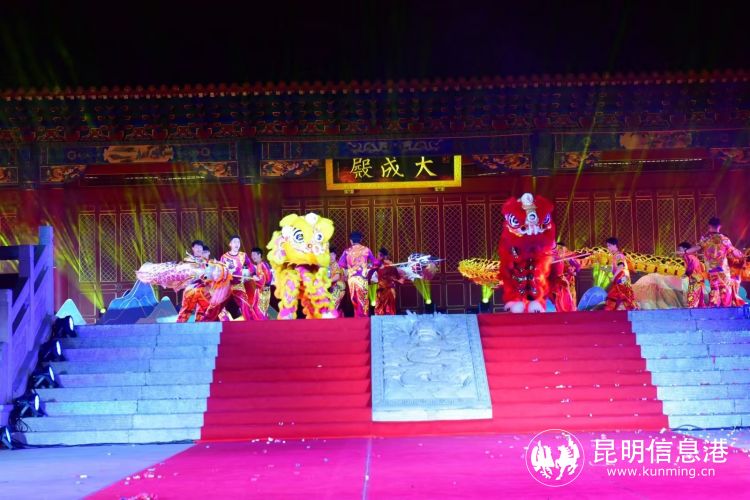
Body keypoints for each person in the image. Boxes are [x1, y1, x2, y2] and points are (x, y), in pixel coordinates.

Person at [687, 217, 743, 307]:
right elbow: (734, 252)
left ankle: (714, 306)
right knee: (725, 288)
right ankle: (727, 308)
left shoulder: (706, 239)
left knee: (714, 288)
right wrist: (742, 255)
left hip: (712, 270)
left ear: (709, 226)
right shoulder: (725, 239)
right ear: (719, 226)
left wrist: (685, 252)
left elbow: (696, 248)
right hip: (722, 270)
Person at [205, 235, 255, 321]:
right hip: (226, 286)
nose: (237, 244)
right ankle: (209, 321)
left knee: (245, 304)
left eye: (238, 242)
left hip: (238, 285)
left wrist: (249, 274)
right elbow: (220, 270)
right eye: (234, 242)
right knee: (218, 305)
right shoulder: (224, 257)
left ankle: (250, 324)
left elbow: (251, 267)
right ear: (230, 244)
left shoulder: (243, 255)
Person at [338, 231, 376, 317]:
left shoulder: (347, 251)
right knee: (363, 299)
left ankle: (357, 317)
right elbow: (375, 262)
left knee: (354, 299)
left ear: (351, 241)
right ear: (360, 240)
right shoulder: (366, 249)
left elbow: (341, 264)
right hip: (362, 278)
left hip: (351, 279)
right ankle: (364, 319)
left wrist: (349, 267)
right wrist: (370, 266)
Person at [177, 240, 210, 322]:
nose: (199, 249)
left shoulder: (206, 262)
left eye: (200, 247)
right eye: (197, 247)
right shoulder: (188, 260)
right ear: (193, 248)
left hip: (204, 290)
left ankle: (201, 326)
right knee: (185, 311)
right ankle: (178, 327)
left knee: (206, 311)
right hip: (191, 289)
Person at [604, 237, 638, 311]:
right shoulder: (615, 256)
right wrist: (605, 269)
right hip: (621, 279)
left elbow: (621, 266)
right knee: (617, 296)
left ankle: (633, 311)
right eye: (607, 246)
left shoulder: (618, 255)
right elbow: (614, 268)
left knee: (622, 296)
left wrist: (613, 277)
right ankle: (609, 313)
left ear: (615, 245)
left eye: (609, 245)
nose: (608, 248)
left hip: (622, 278)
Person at [550, 241, 580, 312]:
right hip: (557, 281)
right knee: (558, 297)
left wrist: (573, 271)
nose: (561, 251)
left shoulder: (568, 258)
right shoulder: (553, 258)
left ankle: (569, 310)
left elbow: (577, 268)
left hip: (567, 281)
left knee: (568, 297)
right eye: (559, 249)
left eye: (563, 249)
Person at [374, 248, 403, 315]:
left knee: (381, 311)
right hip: (390, 290)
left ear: (382, 256)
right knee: (390, 310)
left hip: (383, 291)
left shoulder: (378, 265)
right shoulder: (392, 265)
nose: (377, 256)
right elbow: (398, 277)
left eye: (378, 255)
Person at [677, 241, 706, 308]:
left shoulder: (687, 256)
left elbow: (691, 267)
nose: (679, 251)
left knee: (692, 295)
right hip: (699, 278)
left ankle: (692, 308)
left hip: (694, 278)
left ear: (685, 249)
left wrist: (685, 273)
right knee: (699, 295)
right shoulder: (692, 256)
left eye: (680, 249)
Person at [249, 247, 272, 320]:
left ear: (259, 255)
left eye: (254, 255)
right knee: (257, 309)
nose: (252, 257)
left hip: (264, 291)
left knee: (261, 311)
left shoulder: (263, 265)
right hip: (260, 291)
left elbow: (268, 279)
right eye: (251, 255)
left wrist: (257, 280)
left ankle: (263, 325)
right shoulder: (259, 265)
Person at [328, 246, 346, 312]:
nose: (331, 257)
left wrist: (327, 282)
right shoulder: (328, 265)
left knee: (332, 307)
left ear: (335, 255)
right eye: (329, 255)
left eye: (332, 255)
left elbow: (337, 276)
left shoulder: (336, 265)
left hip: (338, 288)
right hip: (331, 288)